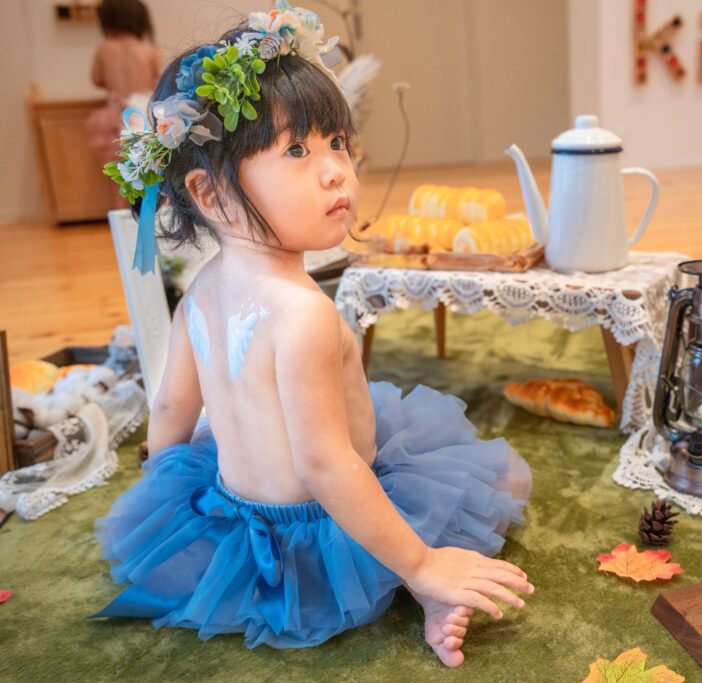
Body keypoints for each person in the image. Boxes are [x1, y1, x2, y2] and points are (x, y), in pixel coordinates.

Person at [91, 3, 532, 668]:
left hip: (234, 508)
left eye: (337, 144)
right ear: (210, 195)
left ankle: (414, 573)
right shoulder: (303, 314)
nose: (335, 171)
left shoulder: (201, 291)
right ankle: (427, 581)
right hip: (321, 524)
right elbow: (326, 466)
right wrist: (421, 560)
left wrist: (165, 505)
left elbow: (171, 408)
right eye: (297, 150)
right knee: (501, 482)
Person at [86, 0, 162, 165]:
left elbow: (96, 79)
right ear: (142, 21)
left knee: (120, 169)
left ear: (106, 21)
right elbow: (161, 81)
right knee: (150, 166)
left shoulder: (104, 49)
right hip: (144, 113)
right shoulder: (149, 51)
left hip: (116, 117)